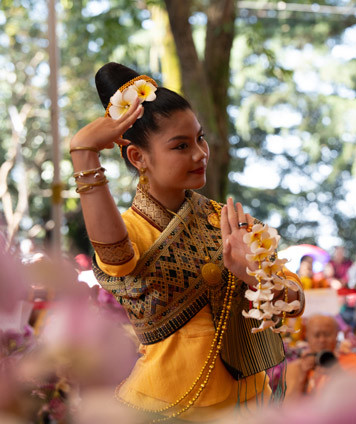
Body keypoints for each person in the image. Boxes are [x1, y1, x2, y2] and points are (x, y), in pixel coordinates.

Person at [71, 62, 304, 421]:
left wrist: (256, 276)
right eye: (181, 146)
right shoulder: (130, 230)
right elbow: (115, 254)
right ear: (138, 157)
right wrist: (84, 153)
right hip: (168, 406)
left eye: (200, 137)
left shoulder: (225, 219)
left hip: (250, 401)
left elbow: (294, 302)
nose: (200, 154)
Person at [285, 315, 356, 398]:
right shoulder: (296, 367)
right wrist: (302, 376)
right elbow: (287, 408)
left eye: (327, 335)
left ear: (336, 335)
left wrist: (339, 373)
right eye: (316, 335)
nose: (322, 340)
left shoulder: (351, 361)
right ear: (307, 336)